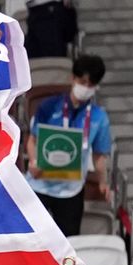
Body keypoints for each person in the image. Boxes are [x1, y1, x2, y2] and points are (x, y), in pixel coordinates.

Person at [24, 53, 109, 236]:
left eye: (91, 84)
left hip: (71, 191)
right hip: (39, 185)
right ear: (73, 78)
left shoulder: (98, 117)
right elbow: (33, 140)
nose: (85, 88)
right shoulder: (48, 107)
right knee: (31, 240)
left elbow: (99, 155)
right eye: (82, 81)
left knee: (69, 245)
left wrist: (103, 182)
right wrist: (33, 161)